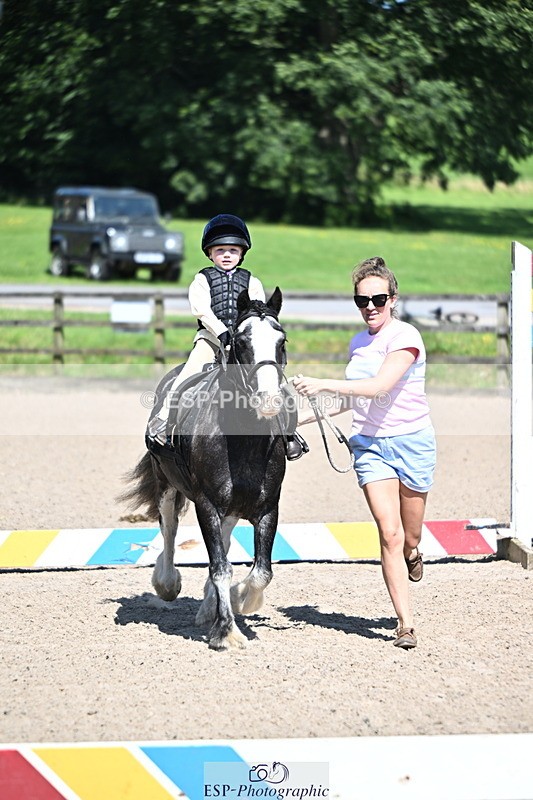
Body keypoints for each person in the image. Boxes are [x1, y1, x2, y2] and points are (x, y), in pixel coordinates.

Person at [293, 256, 436, 649]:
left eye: (378, 299)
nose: (370, 306)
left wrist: (322, 382)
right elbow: (351, 401)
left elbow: (377, 388)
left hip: (411, 441)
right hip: (370, 445)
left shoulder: (406, 336)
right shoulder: (358, 343)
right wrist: (294, 419)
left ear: (393, 299)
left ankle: (413, 551)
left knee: (409, 535)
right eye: (362, 300)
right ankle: (405, 624)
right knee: (388, 532)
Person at [148, 213, 304, 460]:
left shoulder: (252, 281)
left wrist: (246, 336)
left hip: (244, 342)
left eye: (233, 250)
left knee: (274, 382)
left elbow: (258, 313)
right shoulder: (202, 279)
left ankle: (289, 434)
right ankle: (163, 420)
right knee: (186, 375)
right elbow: (201, 310)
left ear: (242, 253)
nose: (227, 255)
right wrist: (221, 332)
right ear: (210, 253)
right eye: (220, 250)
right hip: (210, 340)